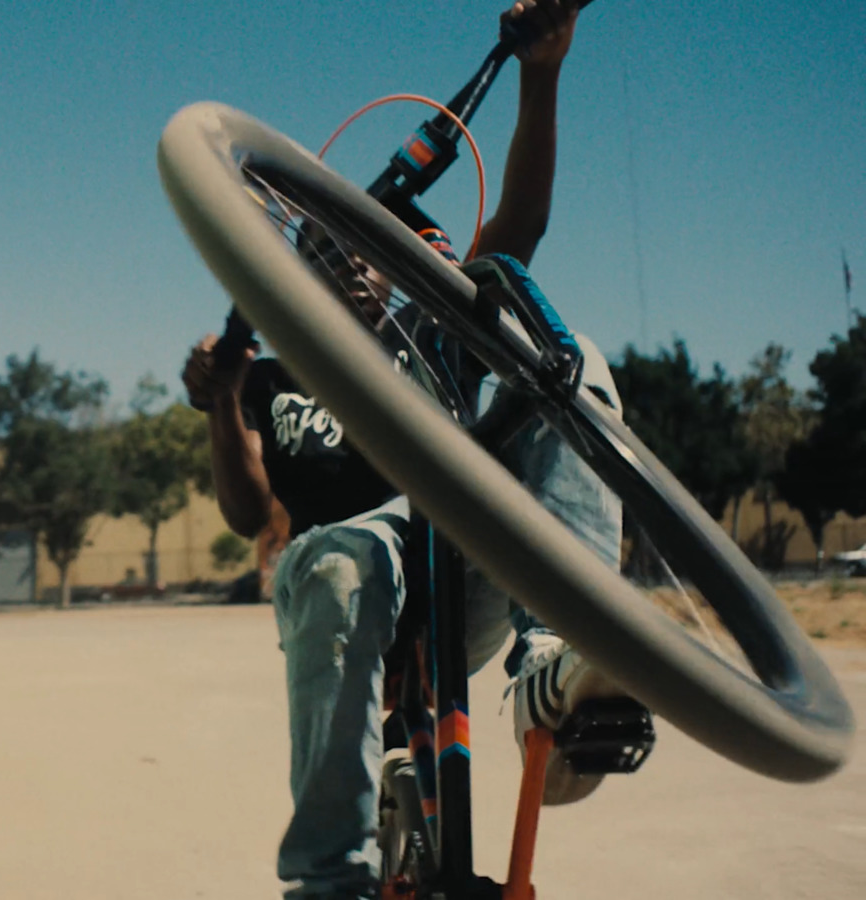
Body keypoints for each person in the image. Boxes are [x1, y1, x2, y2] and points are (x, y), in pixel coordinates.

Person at [181, 3, 647, 897]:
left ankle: (556, 661)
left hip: (458, 577)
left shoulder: (427, 334)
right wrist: (228, 396)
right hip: (350, 594)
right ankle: (327, 877)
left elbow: (523, 227)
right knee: (339, 562)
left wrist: (542, 76)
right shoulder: (278, 376)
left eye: (364, 248)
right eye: (323, 249)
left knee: (568, 356)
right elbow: (247, 516)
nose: (350, 263)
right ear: (297, 278)